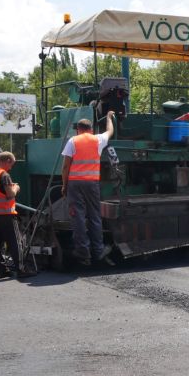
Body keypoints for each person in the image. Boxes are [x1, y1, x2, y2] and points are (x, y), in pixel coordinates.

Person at [61, 114, 115, 266]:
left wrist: (64, 185)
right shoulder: (98, 139)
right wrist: (109, 117)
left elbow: (66, 167)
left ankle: (83, 253)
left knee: (77, 216)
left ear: (78, 129)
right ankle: (98, 251)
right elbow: (110, 131)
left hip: (75, 183)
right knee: (94, 216)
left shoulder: (73, 141)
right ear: (91, 129)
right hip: (91, 183)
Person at [0, 151, 36, 279]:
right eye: (11, 164)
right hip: (5, 214)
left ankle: (1, 270)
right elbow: (10, 194)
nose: (11, 167)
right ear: (7, 161)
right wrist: (16, 188)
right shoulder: (3, 175)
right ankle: (21, 269)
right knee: (15, 242)